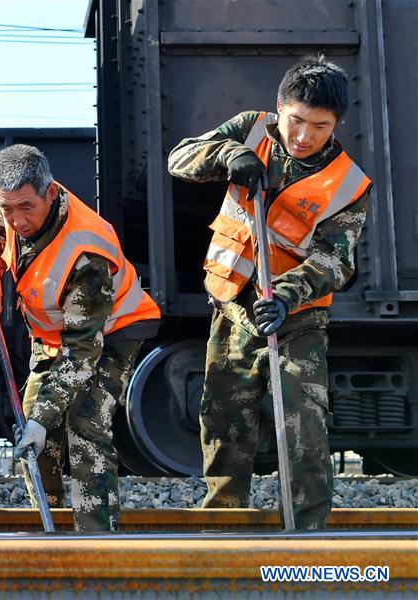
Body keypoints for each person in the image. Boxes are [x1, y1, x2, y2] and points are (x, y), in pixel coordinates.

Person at [167, 55, 371, 529]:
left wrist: (284, 296)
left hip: (295, 319)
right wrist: (228, 155)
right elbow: (180, 158)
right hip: (232, 309)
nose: (303, 136)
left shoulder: (348, 185)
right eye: (296, 121)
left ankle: (306, 535)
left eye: (319, 127)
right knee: (223, 423)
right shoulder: (251, 130)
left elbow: (335, 260)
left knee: (302, 426)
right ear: (280, 107)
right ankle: (224, 529)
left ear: (336, 124)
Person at [0, 144, 160, 531]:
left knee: (84, 424)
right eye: (8, 208)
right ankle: (52, 528)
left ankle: (96, 540)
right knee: (33, 438)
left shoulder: (86, 255)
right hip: (56, 334)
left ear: (51, 193)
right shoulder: (5, 208)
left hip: (112, 333)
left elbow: (83, 353)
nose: (17, 220)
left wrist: (44, 417)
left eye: (27, 207)